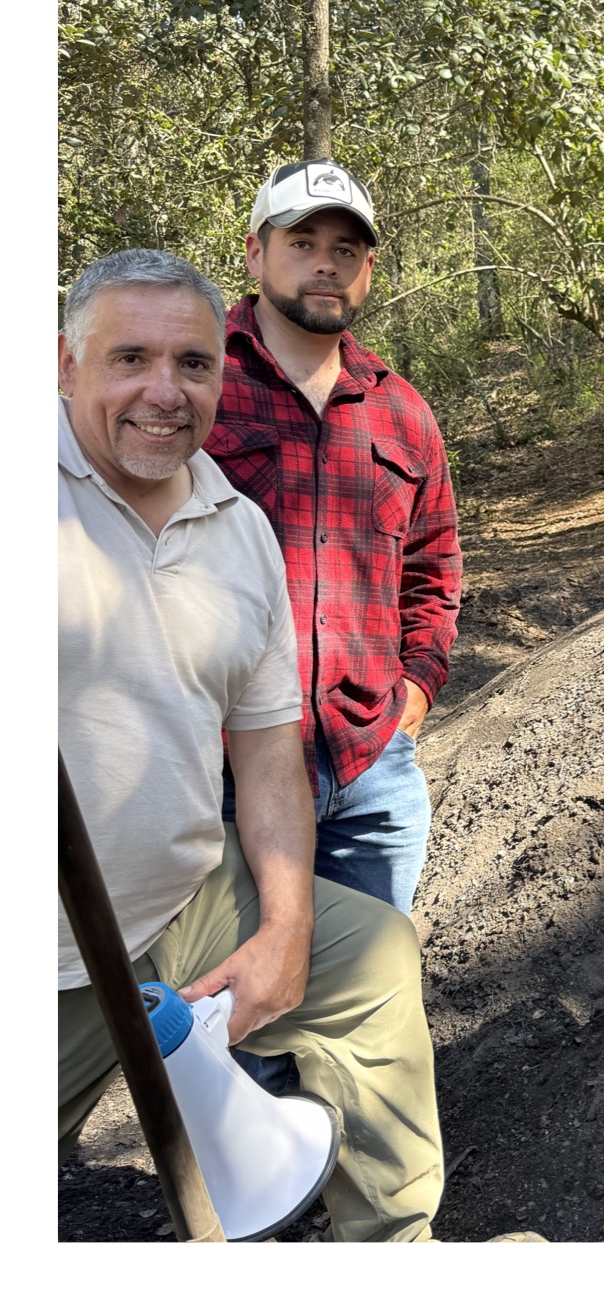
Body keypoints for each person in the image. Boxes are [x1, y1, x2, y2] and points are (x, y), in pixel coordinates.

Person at [58, 248, 445, 1240]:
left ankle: (395, 1247)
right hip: (45, 961)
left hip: (183, 901)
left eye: (191, 364)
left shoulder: (238, 529)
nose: (164, 390)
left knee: (370, 956)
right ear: (64, 365)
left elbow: (269, 749)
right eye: (129, 358)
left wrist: (283, 926)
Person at [207, 162, 461, 921]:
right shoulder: (195, 381)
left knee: (362, 1014)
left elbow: (434, 566)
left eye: (346, 249)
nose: (326, 262)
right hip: (217, 773)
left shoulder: (401, 411)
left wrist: (414, 689)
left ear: (368, 269)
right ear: (255, 253)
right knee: (235, 1025)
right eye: (303, 241)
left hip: (370, 770)